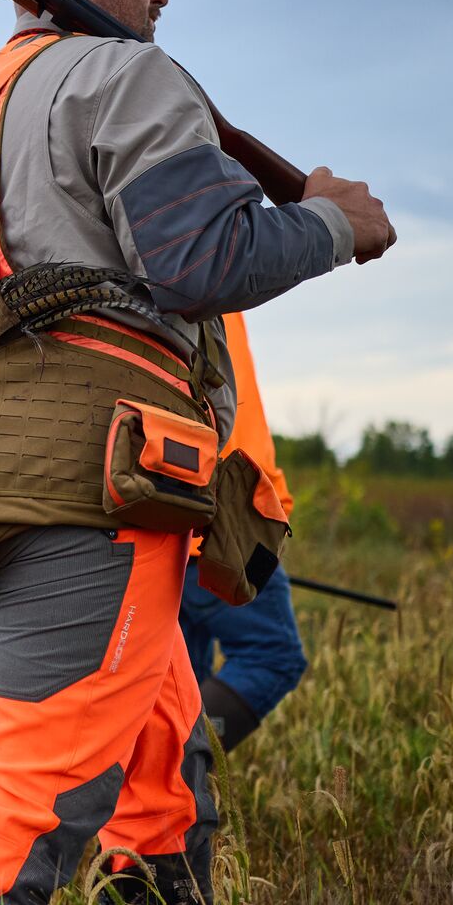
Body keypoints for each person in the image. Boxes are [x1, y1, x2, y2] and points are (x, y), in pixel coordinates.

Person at [0, 0, 395, 905]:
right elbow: (204, 262)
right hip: (91, 480)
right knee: (37, 786)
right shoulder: (127, 75)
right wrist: (334, 221)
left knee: (159, 741)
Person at [183, 312, 308, 753]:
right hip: (229, 515)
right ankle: (180, 765)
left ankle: (170, 801)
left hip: (170, 511)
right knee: (273, 657)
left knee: (176, 688)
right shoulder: (204, 258)